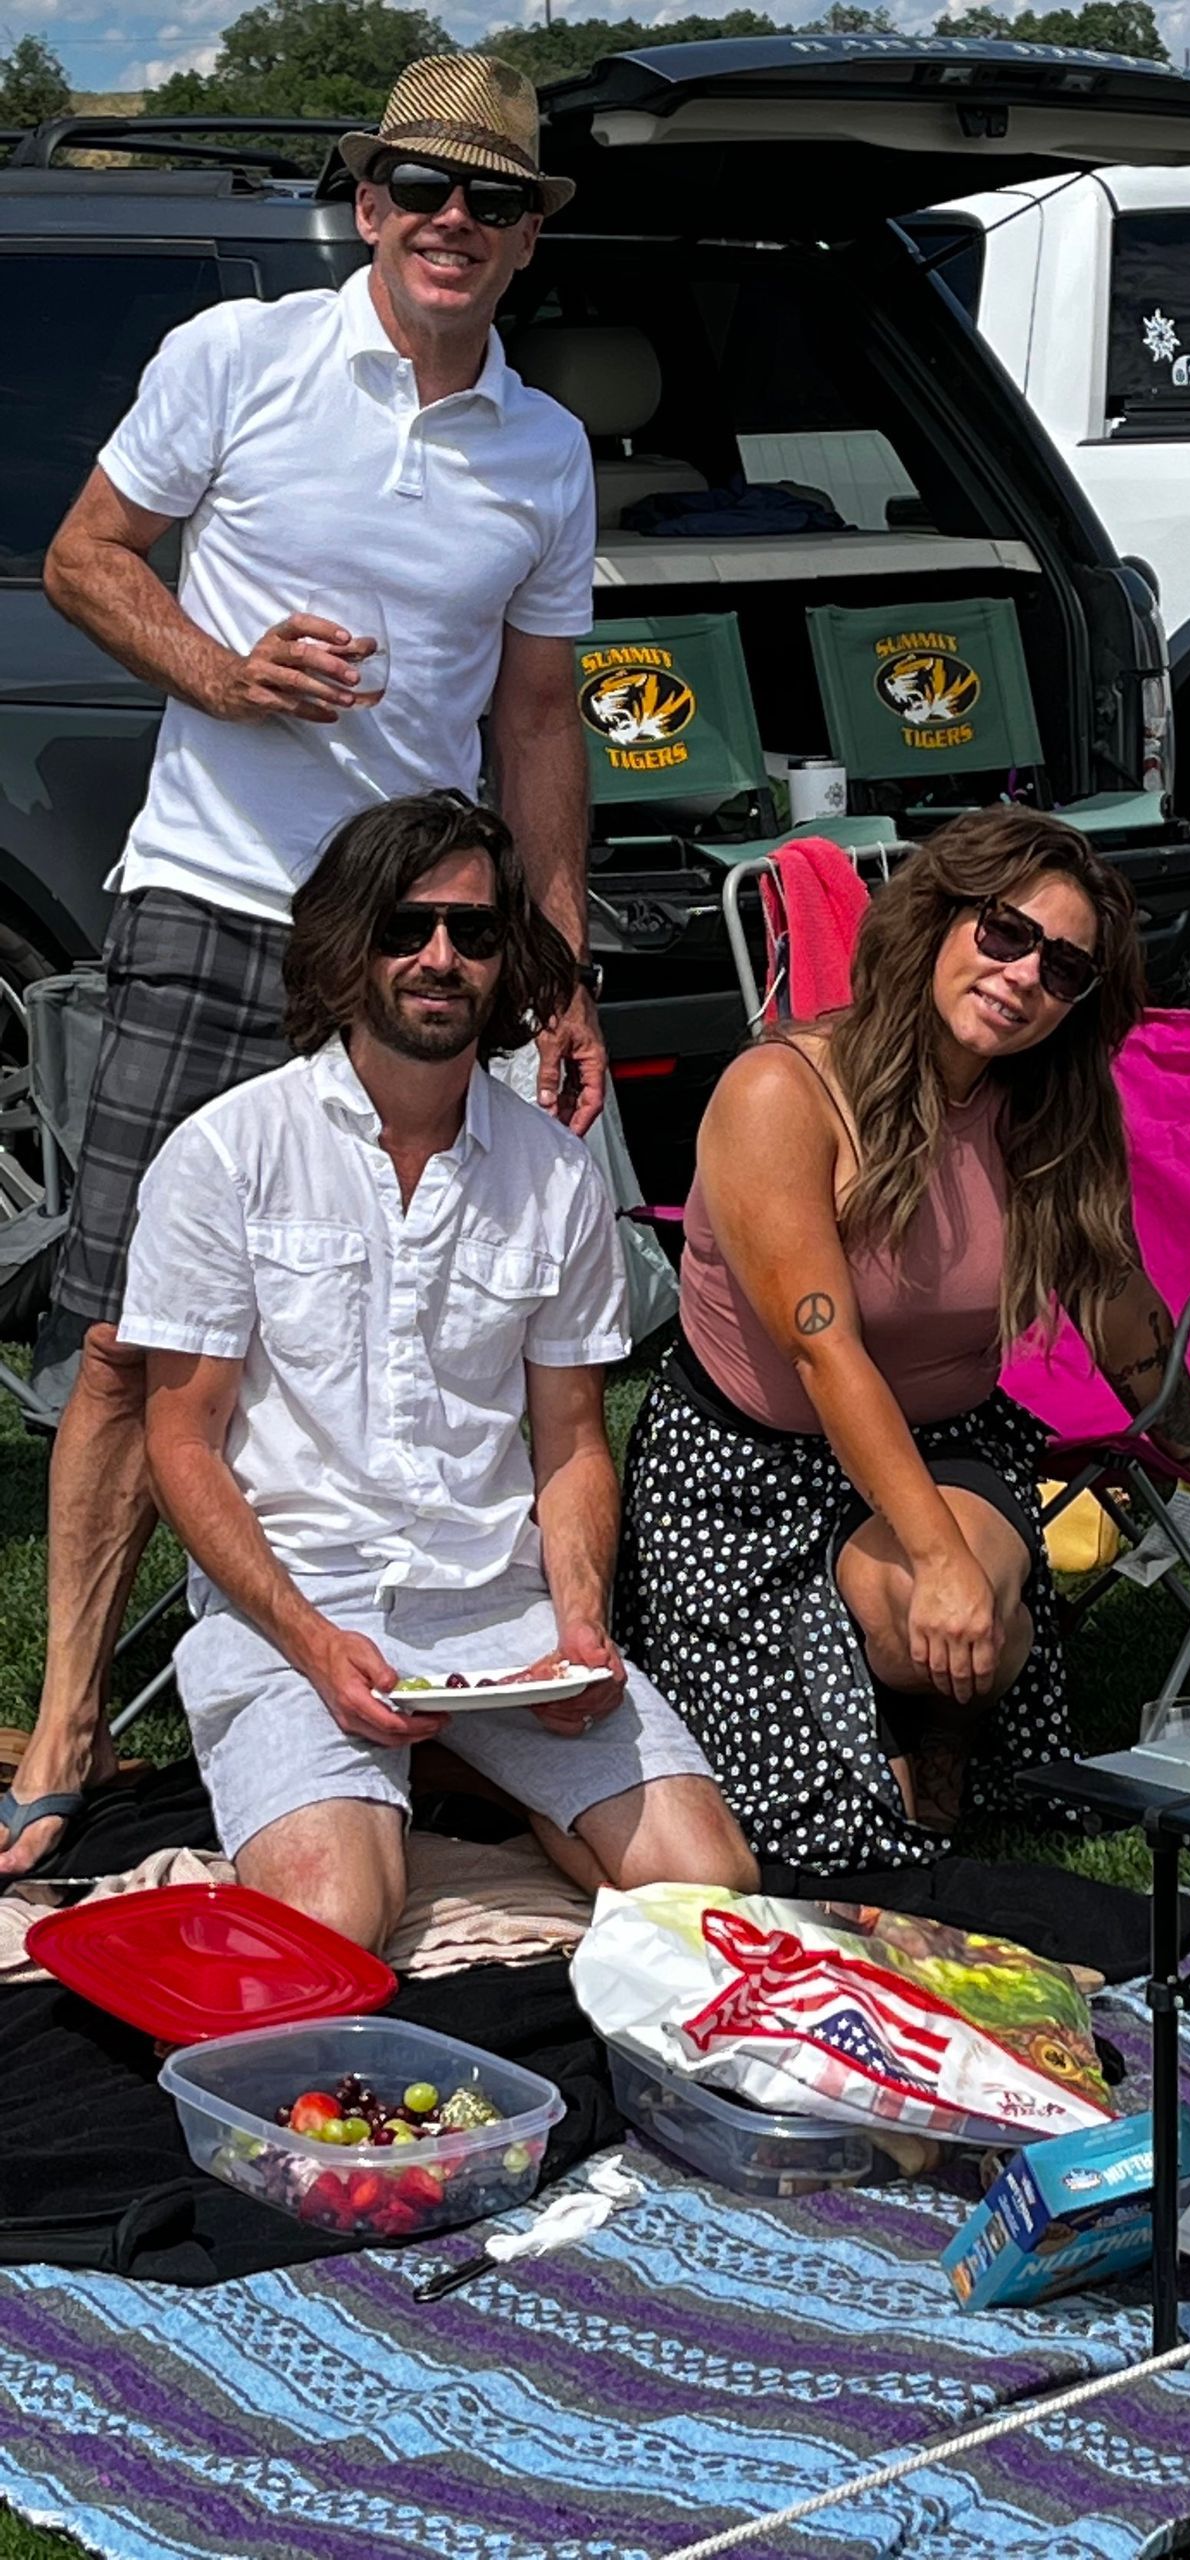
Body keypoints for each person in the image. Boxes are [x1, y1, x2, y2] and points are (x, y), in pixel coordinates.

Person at [1, 54, 608, 1874]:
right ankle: (63, 1722)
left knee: (449, 1313)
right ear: (367, 204)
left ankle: (437, 1674)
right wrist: (221, 671)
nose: (451, 220)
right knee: (133, 1339)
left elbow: (539, 718)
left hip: (421, 934)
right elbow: (85, 558)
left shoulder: (546, 451)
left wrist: (559, 962)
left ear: (527, 239)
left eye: (490, 198)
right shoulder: (240, 357)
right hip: (214, 896)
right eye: (421, 186)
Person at [114, 791, 753, 1953]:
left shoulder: (557, 1175)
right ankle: (424, 1792)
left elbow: (572, 1442)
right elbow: (180, 1441)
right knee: (335, 1923)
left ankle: (464, 1769)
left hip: (498, 1617)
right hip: (295, 1607)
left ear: (509, 962)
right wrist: (312, 1641)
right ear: (345, 943)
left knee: (708, 1888)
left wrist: (580, 1625)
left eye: (475, 930)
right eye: (405, 927)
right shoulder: (228, 1153)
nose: (441, 957)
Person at [614, 810, 1190, 1875]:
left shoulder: (1047, 1109)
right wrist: (933, 1557)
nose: (1024, 975)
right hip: (742, 1475)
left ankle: (928, 1721)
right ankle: (885, 1731)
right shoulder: (784, 1092)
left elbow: (1119, 1310)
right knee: (807, 1841)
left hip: (947, 1441)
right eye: (1006, 932)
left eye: (1064, 968)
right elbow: (824, 1352)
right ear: (939, 919)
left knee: (975, 1607)